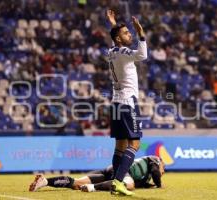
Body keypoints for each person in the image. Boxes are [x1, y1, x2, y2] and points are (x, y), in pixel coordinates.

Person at [105, 10, 148, 195]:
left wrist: (113, 24)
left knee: (120, 146)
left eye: (130, 32)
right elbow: (142, 55)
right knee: (135, 144)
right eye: (126, 33)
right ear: (119, 39)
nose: (129, 33)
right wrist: (141, 33)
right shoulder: (123, 51)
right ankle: (118, 181)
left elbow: (113, 38)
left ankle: (115, 181)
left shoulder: (111, 51)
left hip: (115, 103)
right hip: (127, 102)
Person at [29, 155, 164, 192]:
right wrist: (159, 185)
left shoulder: (144, 173)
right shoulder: (155, 159)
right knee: (129, 186)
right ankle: (93, 187)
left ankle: (46, 181)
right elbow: (156, 172)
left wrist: (149, 185)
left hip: (110, 170)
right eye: (164, 168)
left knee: (76, 183)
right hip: (122, 170)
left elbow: (141, 181)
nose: (163, 171)